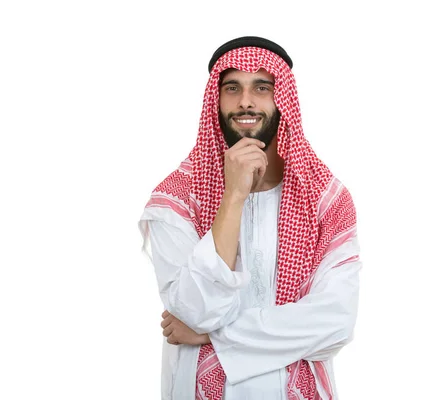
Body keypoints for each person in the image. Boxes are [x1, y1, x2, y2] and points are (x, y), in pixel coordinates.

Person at [138, 36, 362, 400]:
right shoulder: (177, 199)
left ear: (282, 100)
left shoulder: (324, 200)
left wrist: (214, 336)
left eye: (262, 87)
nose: (245, 101)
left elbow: (335, 322)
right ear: (216, 100)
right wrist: (234, 195)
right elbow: (196, 310)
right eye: (232, 88)